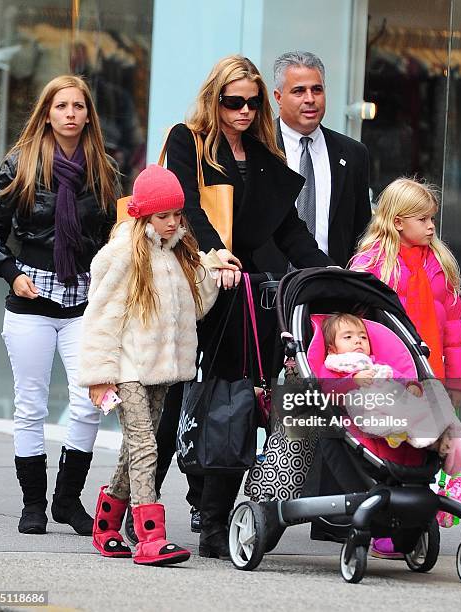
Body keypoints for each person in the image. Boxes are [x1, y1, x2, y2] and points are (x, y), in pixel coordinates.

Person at [162, 54, 331, 559]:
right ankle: (143, 508)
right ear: (214, 98)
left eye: (252, 102)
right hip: (200, 290)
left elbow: (288, 229)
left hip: (245, 299)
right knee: (176, 410)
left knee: (235, 410)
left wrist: (327, 272)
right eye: (233, 101)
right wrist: (217, 252)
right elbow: (187, 204)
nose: (242, 110)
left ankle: (220, 522)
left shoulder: (260, 153)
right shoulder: (186, 140)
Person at [0, 75, 119, 536]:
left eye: (79, 106)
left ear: (87, 115)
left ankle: (66, 501)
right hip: (31, 299)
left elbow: (112, 237)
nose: (71, 113)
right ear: (48, 112)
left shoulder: (102, 168)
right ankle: (33, 505)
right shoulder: (23, 163)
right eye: (62, 106)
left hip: (82, 302)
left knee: (87, 402)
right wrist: (12, 274)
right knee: (31, 406)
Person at [79, 164, 234, 565]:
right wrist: (99, 377)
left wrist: (214, 268)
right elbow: (101, 317)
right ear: (142, 214)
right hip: (127, 368)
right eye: (162, 216)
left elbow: (195, 306)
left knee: (134, 450)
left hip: (161, 371)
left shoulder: (176, 252)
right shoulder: (122, 255)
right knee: (146, 444)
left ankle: (106, 526)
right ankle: (150, 535)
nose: (172, 222)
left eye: (176, 214)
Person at [350, 177, 461, 557]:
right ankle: (382, 526)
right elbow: (354, 324)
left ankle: (409, 524)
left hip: (430, 372)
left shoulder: (440, 263)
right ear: (399, 221)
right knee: (387, 450)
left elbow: (454, 327)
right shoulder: (371, 263)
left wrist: (457, 379)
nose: (431, 226)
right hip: (387, 376)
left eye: (432, 218)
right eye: (422, 219)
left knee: (424, 453)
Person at [253, 50, 372, 271]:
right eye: (299, 91)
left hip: (332, 287)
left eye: (317, 90)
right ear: (278, 97)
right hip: (267, 290)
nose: (310, 99)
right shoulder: (257, 147)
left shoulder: (353, 154)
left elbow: (362, 232)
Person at [320, 313, 461, 462]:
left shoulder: (376, 363)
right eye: (348, 337)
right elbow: (328, 390)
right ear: (332, 350)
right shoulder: (333, 367)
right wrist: (353, 380)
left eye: (363, 337)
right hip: (368, 407)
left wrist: (411, 384)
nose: (358, 340)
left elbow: (396, 376)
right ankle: (416, 434)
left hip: (393, 398)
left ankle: (439, 429)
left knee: (431, 389)